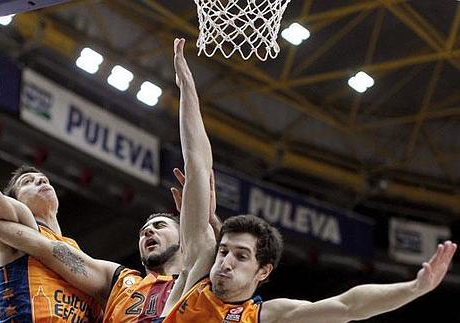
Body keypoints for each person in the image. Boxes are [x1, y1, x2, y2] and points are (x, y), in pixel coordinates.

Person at [159, 38, 458, 323]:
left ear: (262, 271)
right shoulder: (195, 277)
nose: (226, 262)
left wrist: (414, 289)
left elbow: (347, 306)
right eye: (224, 251)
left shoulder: (265, 315)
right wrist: (187, 90)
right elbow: (197, 164)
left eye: (241, 256)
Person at [0, 124, 218, 322]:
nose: (41, 180)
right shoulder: (19, 222)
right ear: (17, 198)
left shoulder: (85, 262)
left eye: (42, 178)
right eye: (28, 182)